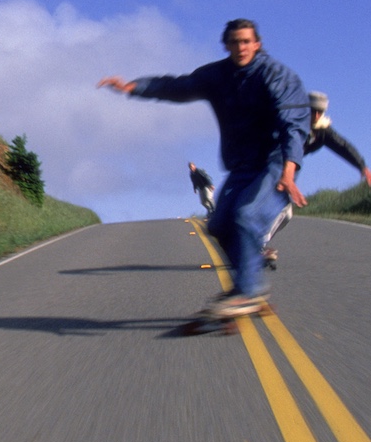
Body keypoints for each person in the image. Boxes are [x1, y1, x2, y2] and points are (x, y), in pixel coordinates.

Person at [99, 19, 309, 319]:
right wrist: (134, 87)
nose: (241, 47)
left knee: (247, 215)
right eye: (235, 42)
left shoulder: (277, 75)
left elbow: (294, 123)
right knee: (219, 225)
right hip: (241, 164)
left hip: (275, 162)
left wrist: (289, 170)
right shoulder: (218, 75)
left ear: (258, 43)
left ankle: (247, 291)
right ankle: (251, 287)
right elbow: (177, 86)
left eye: (247, 41)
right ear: (226, 45)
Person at [261, 91, 371, 266]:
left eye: (319, 112)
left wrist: (361, 166)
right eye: (312, 111)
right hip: (266, 168)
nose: (315, 116)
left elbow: (342, 146)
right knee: (278, 207)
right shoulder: (290, 122)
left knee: (286, 214)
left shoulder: (322, 130)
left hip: (285, 175)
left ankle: (253, 246)